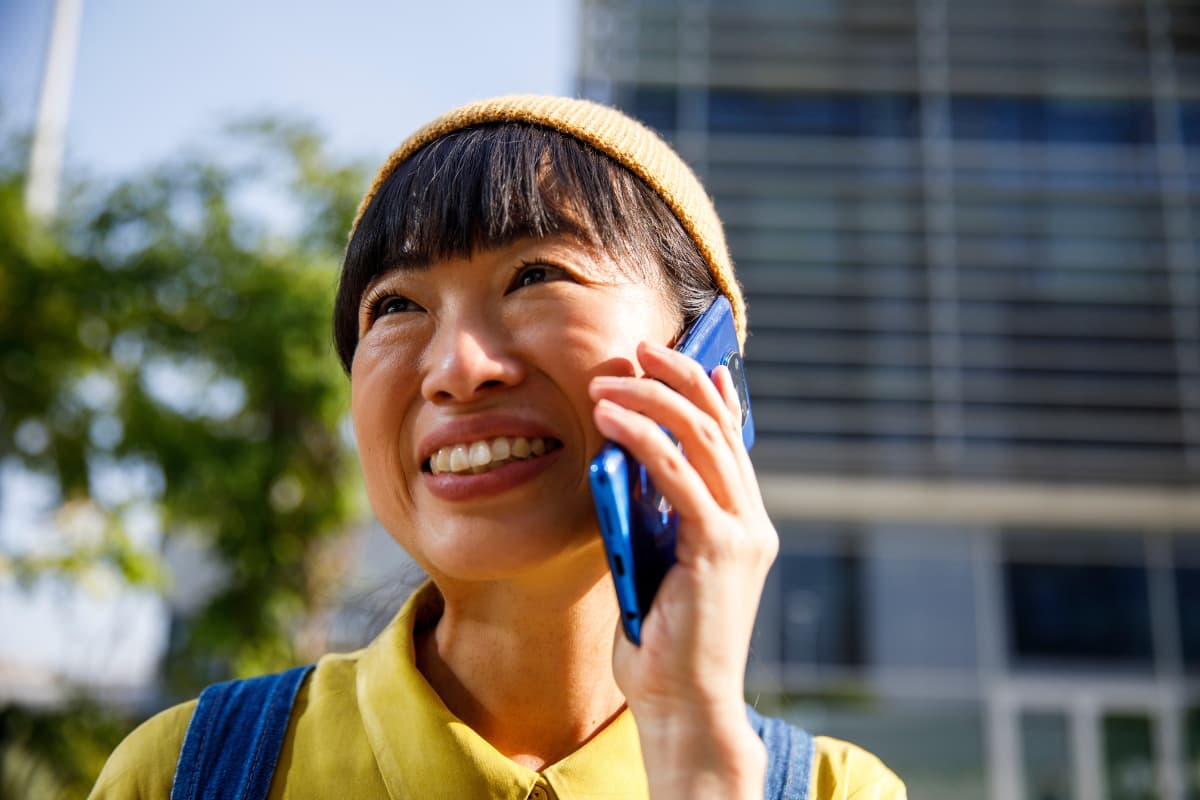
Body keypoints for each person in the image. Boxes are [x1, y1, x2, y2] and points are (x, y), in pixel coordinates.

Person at [89, 95, 906, 800]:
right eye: (398, 305)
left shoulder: (838, 790)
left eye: (536, 275)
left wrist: (696, 748)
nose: (456, 370)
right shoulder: (181, 774)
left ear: (708, 366)